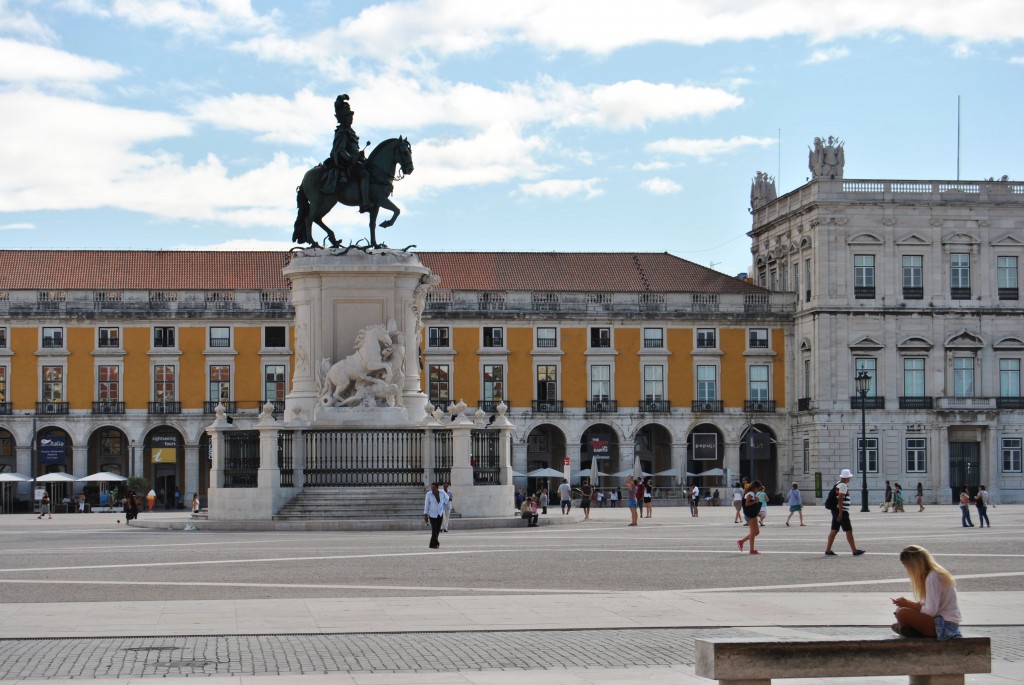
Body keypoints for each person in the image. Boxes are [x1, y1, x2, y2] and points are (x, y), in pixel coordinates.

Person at [891, 545, 962, 639]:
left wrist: (909, 604)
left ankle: (910, 630)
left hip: (944, 626)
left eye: (907, 566)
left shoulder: (933, 577)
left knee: (902, 613)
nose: (907, 570)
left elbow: (930, 612)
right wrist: (908, 604)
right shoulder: (933, 575)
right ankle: (909, 629)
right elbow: (929, 605)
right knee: (900, 610)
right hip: (941, 621)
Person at [323, 94, 370, 211]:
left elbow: (353, 149)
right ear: (344, 118)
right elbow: (340, 150)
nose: (351, 118)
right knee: (364, 174)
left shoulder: (350, 132)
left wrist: (359, 156)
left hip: (354, 161)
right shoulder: (343, 132)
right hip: (346, 162)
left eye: (351, 116)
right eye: (349, 117)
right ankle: (364, 203)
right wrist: (350, 159)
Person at [825, 468, 866, 556]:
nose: (850, 479)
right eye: (849, 477)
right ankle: (854, 550)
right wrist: (840, 513)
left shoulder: (837, 484)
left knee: (834, 530)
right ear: (846, 478)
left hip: (835, 510)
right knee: (848, 530)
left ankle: (828, 550)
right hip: (842, 511)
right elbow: (840, 499)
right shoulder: (843, 485)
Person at [737, 480, 763, 554]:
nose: (758, 490)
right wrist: (756, 500)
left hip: (751, 514)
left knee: (756, 532)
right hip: (750, 515)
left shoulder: (751, 493)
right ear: (755, 487)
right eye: (758, 488)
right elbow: (747, 504)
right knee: (753, 532)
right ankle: (751, 550)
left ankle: (741, 541)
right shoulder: (750, 494)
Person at [423, 482, 447, 549]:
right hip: (432, 514)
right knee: (434, 530)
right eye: (431, 488)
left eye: (434, 488)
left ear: (437, 487)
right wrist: (425, 514)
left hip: (440, 514)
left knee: (437, 530)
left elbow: (447, 498)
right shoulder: (429, 494)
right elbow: (426, 504)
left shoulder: (442, 493)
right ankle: (436, 543)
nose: (432, 489)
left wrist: (443, 504)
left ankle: (431, 544)